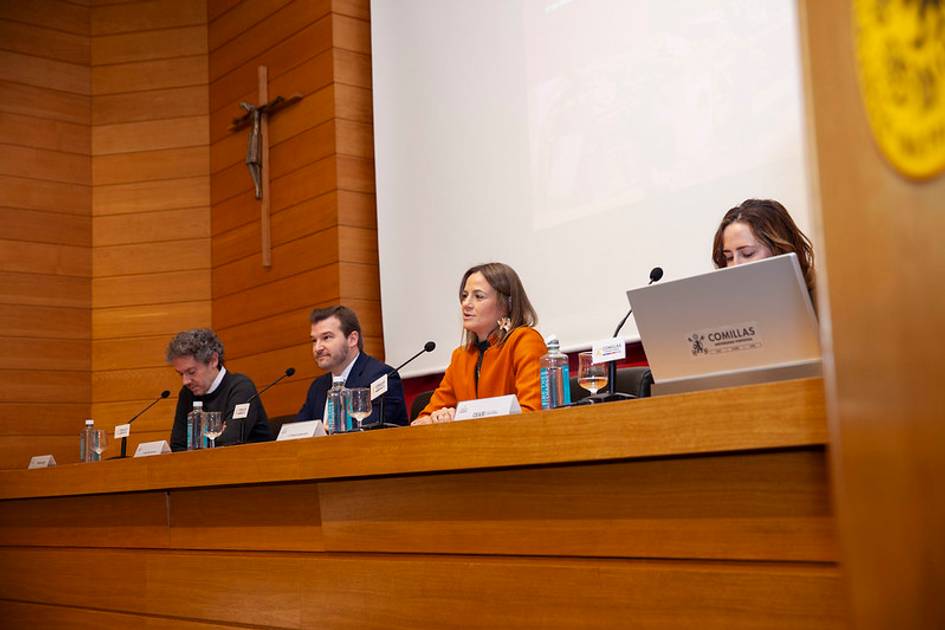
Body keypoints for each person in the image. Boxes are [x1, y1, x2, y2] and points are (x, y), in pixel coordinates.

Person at [412, 262, 545, 425]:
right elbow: (420, 421)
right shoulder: (461, 357)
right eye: (464, 296)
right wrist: (437, 418)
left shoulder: (525, 341)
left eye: (478, 296)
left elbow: (533, 414)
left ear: (506, 304)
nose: (466, 304)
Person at [297, 305, 408, 427]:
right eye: (314, 340)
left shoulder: (381, 377)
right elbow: (299, 433)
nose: (317, 348)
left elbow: (370, 430)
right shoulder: (318, 387)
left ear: (352, 339)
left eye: (326, 337)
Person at [167, 328, 272, 451]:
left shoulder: (241, 387)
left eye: (191, 372)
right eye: (181, 374)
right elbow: (178, 446)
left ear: (213, 360)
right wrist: (217, 434)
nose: (185, 381)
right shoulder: (187, 394)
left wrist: (209, 440)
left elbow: (231, 441)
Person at [712, 198, 816, 295]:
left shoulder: (823, 292)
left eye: (747, 254)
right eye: (729, 257)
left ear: (779, 249)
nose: (735, 265)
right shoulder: (729, 300)